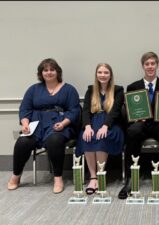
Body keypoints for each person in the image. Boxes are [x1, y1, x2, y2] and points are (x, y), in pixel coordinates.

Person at [7, 58, 81, 194]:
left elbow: (75, 110)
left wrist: (64, 123)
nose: (49, 73)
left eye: (52, 70)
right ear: (41, 73)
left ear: (57, 72)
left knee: (55, 140)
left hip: (60, 124)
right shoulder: (33, 89)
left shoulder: (69, 89)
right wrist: (25, 124)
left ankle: (58, 178)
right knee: (22, 142)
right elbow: (24, 109)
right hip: (36, 125)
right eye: (45, 70)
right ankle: (16, 176)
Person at [118, 51, 159, 199]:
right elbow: (130, 110)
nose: (150, 67)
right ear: (142, 66)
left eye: (153, 63)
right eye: (147, 64)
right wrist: (135, 119)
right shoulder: (133, 87)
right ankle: (131, 178)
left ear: (157, 65)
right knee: (132, 131)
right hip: (141, 124)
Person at [76, 63, 124, 195]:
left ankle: (101, 175)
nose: (103, 75)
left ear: (110, 75)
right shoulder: (90, 90)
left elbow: (115, 111)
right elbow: (86, 110)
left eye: (106, 72)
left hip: (111, 124)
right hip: (92, 122)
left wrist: (105, 126)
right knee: (87, 137)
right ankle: (93, 177)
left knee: (102, 136)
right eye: (100, 72)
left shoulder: (118, 90)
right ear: (96, 75)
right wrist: (87, 127)